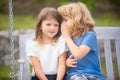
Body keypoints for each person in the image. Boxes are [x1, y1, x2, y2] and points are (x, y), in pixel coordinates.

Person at [57, 2, 106, 80]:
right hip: (75, 75)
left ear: (78, 20)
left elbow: (78, 54)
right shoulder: (64, 39)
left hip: (93, 75)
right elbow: (59, 64)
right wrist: (66, 64)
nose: (62, 24)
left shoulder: (89, 36)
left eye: (65, 20)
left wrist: (67, 37)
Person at [25, 7, 67, 80]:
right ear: (40, 26)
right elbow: (37, 69)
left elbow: (61, 65)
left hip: (59, 76)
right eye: (48, 24)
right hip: (40, 77)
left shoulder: (61, 42)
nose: (52, 28)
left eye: (56, 25)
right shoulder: (32, 44)